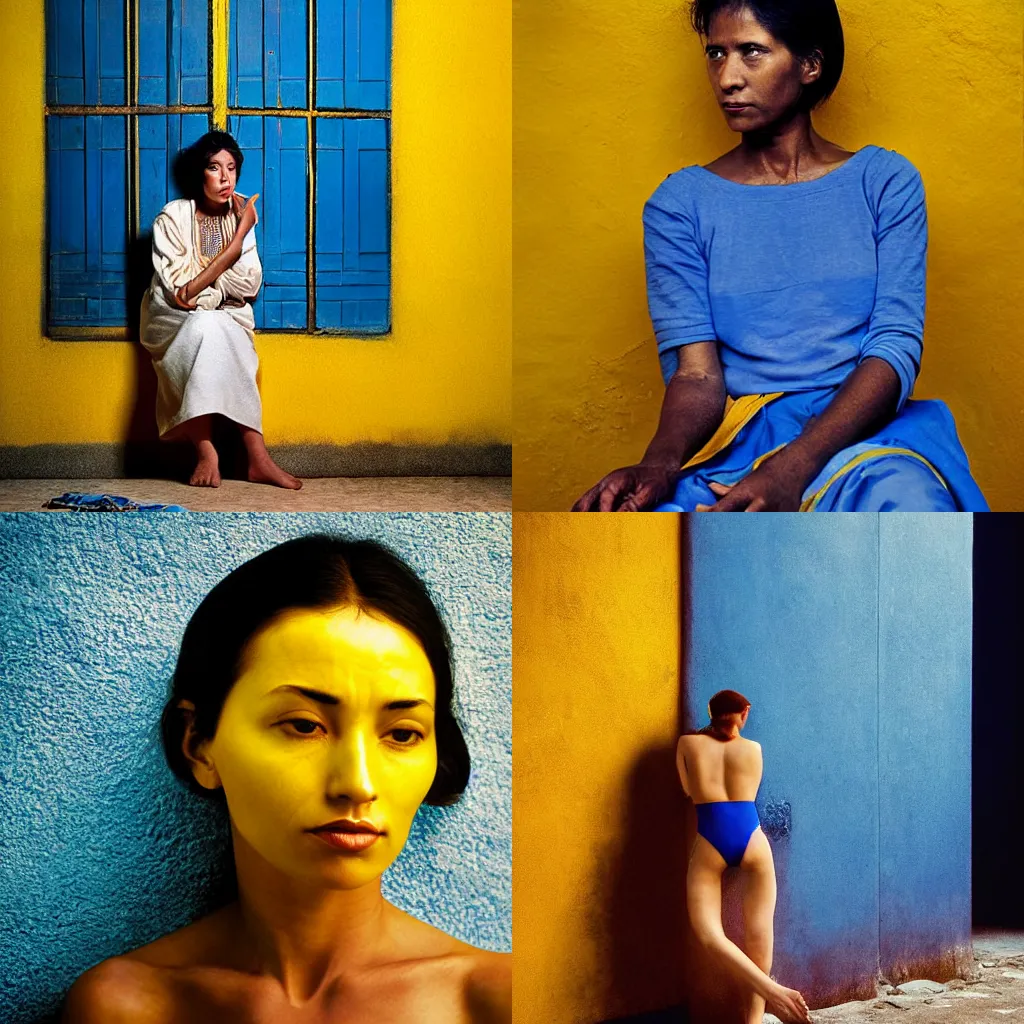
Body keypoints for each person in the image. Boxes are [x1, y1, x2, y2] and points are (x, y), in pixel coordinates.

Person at [62, 536, 511, 1023]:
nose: (358, 785)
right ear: (198, 744)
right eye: (303, 725)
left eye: (402, 734)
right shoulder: (123, 1008)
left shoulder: (498, 1000)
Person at [573, 0, 987, 512]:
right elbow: (698, 375)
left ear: (809, 65)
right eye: (716, 54)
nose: (727, 78)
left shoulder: (884, 184)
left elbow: (894, 348)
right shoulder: (680, 205)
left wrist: (794, 465)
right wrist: (658, 465)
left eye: (751, 52)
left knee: (906, 508)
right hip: (740, 443)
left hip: (864, 436)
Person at [140, 130, 302, 491]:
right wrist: (232, 250)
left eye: (231, 168)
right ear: (201, 174)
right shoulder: (173, 217)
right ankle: (209, 451)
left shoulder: (241, 213)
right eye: (215, 168)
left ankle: (257, 459)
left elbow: (249, 285)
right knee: (203, 324)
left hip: (225, 319)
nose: (226, 178)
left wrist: (209, 284)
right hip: (169, 319)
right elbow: (181, 294)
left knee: (215, 326)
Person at [677, 690, 811, 1024]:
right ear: (744, 713)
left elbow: (688, 790)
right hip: (752, 837)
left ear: (711, 714)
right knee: (760, 933)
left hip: (710, 838)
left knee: (709, 935)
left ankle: (775, 994)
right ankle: (761, 1010)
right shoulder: (754, 750)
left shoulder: (686, 744)